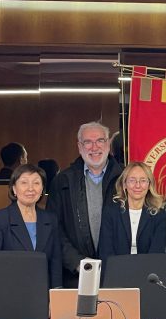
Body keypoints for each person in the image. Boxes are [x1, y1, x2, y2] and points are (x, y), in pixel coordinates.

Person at [47, 121, 123, 287]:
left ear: (108, 144)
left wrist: (118, 264)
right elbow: (54, 228)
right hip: (75, 275)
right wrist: (76, 262)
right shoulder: (62, 181)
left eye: (100, 140)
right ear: (79, 146)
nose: (94, 147)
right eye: (88, 142)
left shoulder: (125, 179)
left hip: (117, 273)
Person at [0, 164, 63, 288]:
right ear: (14, 189)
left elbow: (56, 261)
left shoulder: (50, 219)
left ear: (42, 189)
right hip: (10, 289)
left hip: (42, 289)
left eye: (36, 183)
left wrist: (56, 291)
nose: (30, 188)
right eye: (24, 183)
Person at [98, 161, 166, 258]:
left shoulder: (159, 215)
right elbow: (106, 251)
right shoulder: (111, 212)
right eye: (132, 180)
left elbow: (157, 254)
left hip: (149, 267)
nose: (137, 185)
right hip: (116, 267)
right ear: (124, 184)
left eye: (143, 180)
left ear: (149, 185)